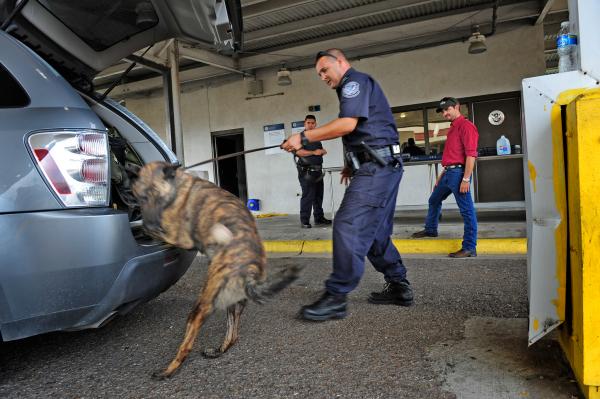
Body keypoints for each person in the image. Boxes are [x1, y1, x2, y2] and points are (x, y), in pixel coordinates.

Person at [282, 48, 413, 321]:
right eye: (319, 74)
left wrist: (303, 137)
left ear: (340, 62)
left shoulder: (354, 82)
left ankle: (336, 297)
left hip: (378, 167)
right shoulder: (355, 87)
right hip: (381, 164)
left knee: (348, 223)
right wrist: (351, 164)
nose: (322, 77)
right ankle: (399, 285)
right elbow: (365, 132)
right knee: (374, 231)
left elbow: (347, 125)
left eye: (325, 70)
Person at [411, 97, 479, 258]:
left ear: (457, 107)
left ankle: (469, 247)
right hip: (448, 173)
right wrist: (441, 175)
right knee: (434, 200)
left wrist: (466, 179)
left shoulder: (466, 126)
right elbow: (451, 155)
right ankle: (431, 229)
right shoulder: (453, 128)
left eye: (447, 109)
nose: (444, 113)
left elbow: (471, 155)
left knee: (467, 211)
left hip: (458, 175)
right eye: (442, 111)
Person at [294, 115, 332, 228]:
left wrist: (322, 151)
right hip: (306, 172)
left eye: (313, 123)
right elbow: (299, 152)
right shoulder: (300, 137)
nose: (311, 125)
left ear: (315, 124)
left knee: (318, 195)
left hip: (318, 171)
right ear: (304, 124)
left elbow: (318, 151)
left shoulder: (316, 137)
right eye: (308, 123)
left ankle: (319, 218)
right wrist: (314, 152)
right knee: (308, 196)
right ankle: (304, 221)